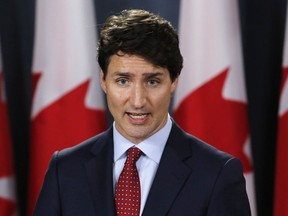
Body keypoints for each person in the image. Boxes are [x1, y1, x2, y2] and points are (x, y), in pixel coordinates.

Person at [33, 9, 251, 216]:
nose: (138, 101)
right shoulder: (65, 170)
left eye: (153, 81)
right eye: (123, 81)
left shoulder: (217, 174)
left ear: (174, 81)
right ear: (103, 81)